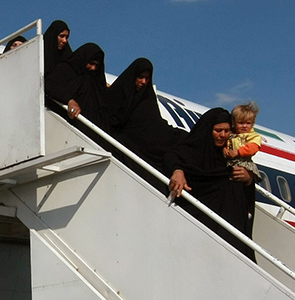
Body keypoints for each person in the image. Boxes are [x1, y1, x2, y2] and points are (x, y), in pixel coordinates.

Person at [166, 106, 257, 257]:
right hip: (193, 222)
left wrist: (248, 180)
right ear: (208, 129)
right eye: (218, 130)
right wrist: (177, 170)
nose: (222, 135)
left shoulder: (229, 156)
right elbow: (171, 157)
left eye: (227, 131)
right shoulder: (191, 149)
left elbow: (245, 195)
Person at [104, 58, 182, 174]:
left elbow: (155, 127)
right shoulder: (117, 95)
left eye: (147, 78)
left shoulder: (148, 101)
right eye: (140, 77)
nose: (144, 82)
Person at [57, 42, 108, 124]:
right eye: (91, 63)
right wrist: (69, 101)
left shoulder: (98, 82)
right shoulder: (67, 72)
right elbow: (52, 86)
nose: (93, 68)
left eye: (97, 65)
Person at [225, 101, 263, 181]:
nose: (244, 126)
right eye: (240, 123)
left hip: (244, 162)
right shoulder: (231, 135)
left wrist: (238, 152)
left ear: (252, 124)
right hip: (231, 161)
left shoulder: (253, 136)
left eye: (248, 123)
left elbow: (253, 148)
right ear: (234, 123)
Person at [42, 20, 74, 104]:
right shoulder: (40, 54)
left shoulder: (67, 56)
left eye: (67, 37)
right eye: (61, 36)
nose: (64, 41)